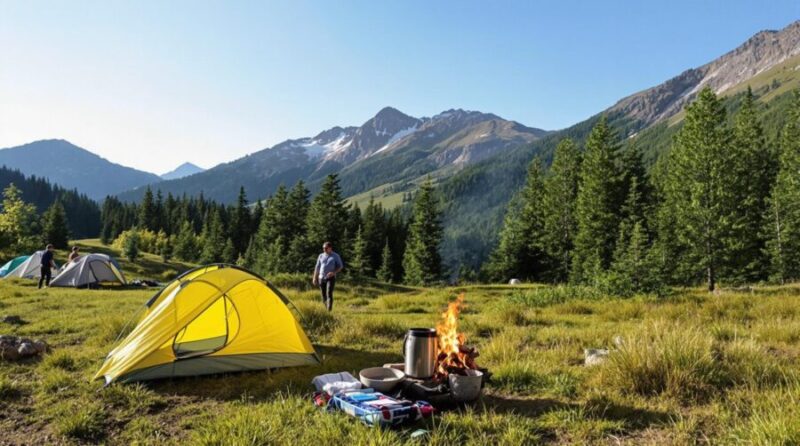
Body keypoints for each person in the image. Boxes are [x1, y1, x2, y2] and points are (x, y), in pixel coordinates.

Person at [312, 241, 343, 312]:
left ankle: (329, 310)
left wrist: (333, 272)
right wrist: (314, 278)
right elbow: (317, 267)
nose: (324, 250)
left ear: (330, 248)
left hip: (330, 278)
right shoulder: (321, 255)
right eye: (323, 248)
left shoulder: (335, 256)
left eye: (326, 248)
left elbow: (340, 266)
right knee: (323, 295)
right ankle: (325, 308)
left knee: (329, 293)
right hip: (321, 277)